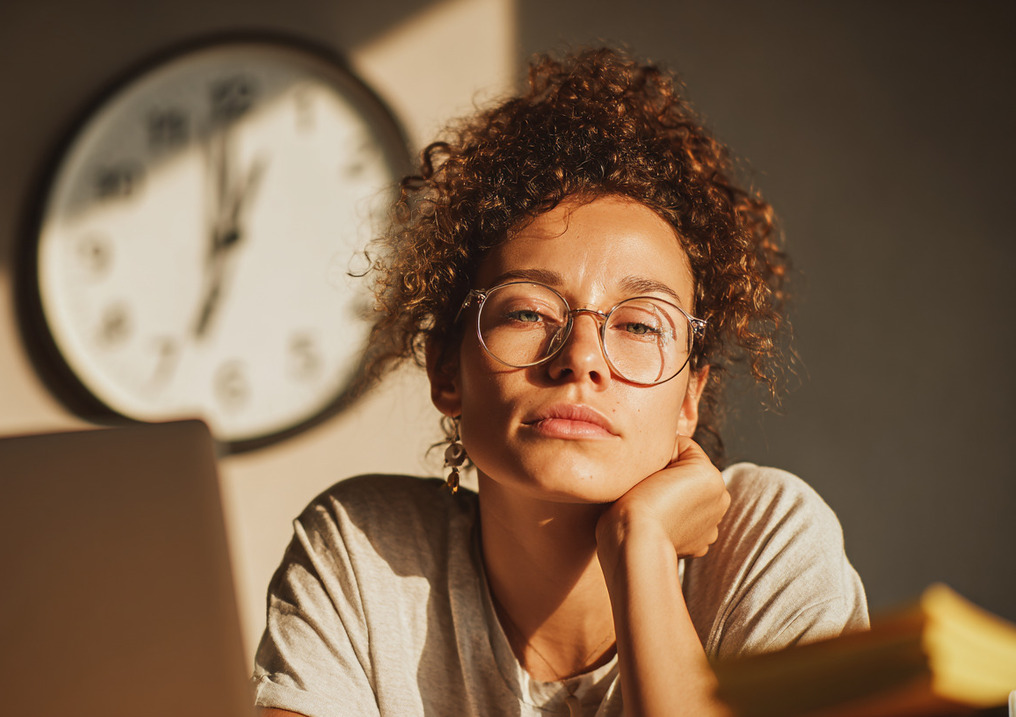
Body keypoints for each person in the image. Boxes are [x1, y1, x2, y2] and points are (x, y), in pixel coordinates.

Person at [252, 46, 867, 717]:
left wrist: (643, 545)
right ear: (445, 369)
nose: (580, 357)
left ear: (689, 398)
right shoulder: (364, 548)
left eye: (639, 325)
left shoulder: (766, 540)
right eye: (527, 311)